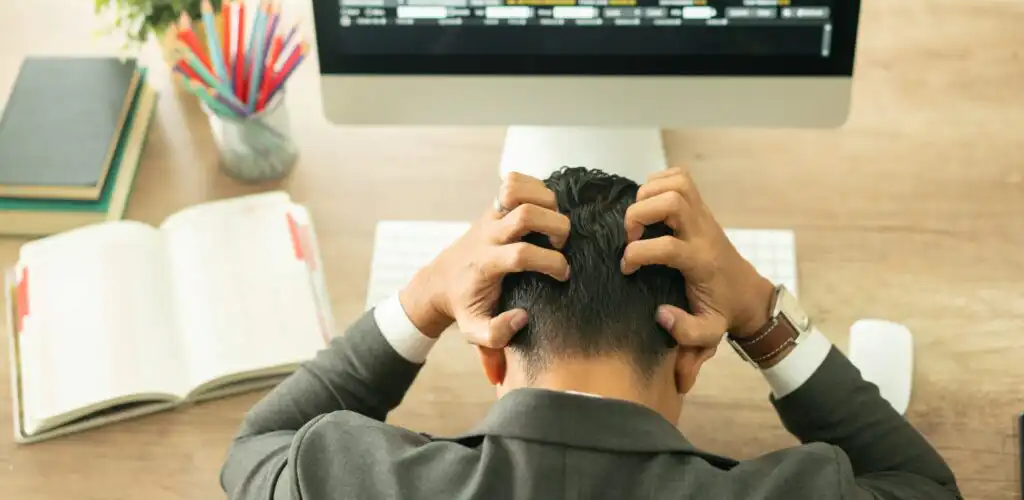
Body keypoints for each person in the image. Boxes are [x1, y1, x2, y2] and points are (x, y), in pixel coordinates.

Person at [220, 167, 962, 500]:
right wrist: (762, 313)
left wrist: (426, 295)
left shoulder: (349, 481)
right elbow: (924, 487)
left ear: (489, 355)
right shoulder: (801, 493)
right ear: (691, 361)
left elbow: (255, 447)